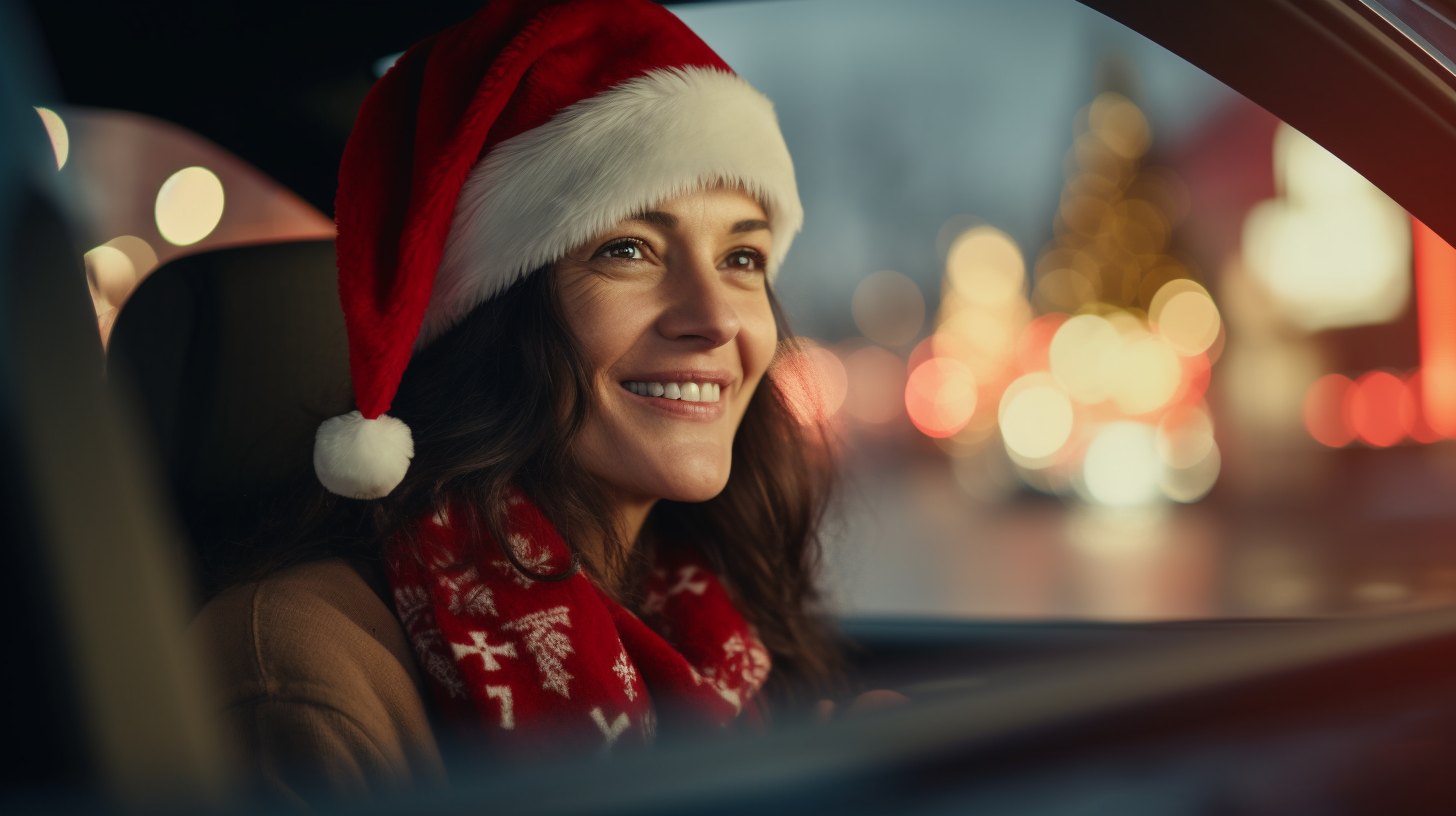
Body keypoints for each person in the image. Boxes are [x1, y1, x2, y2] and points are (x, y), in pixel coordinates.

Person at [190, 0, 854, 802]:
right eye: (627, 249)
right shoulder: (297, 673)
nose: (715, 318)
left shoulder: (716, 621)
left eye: (743, 255)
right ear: (489, 312)